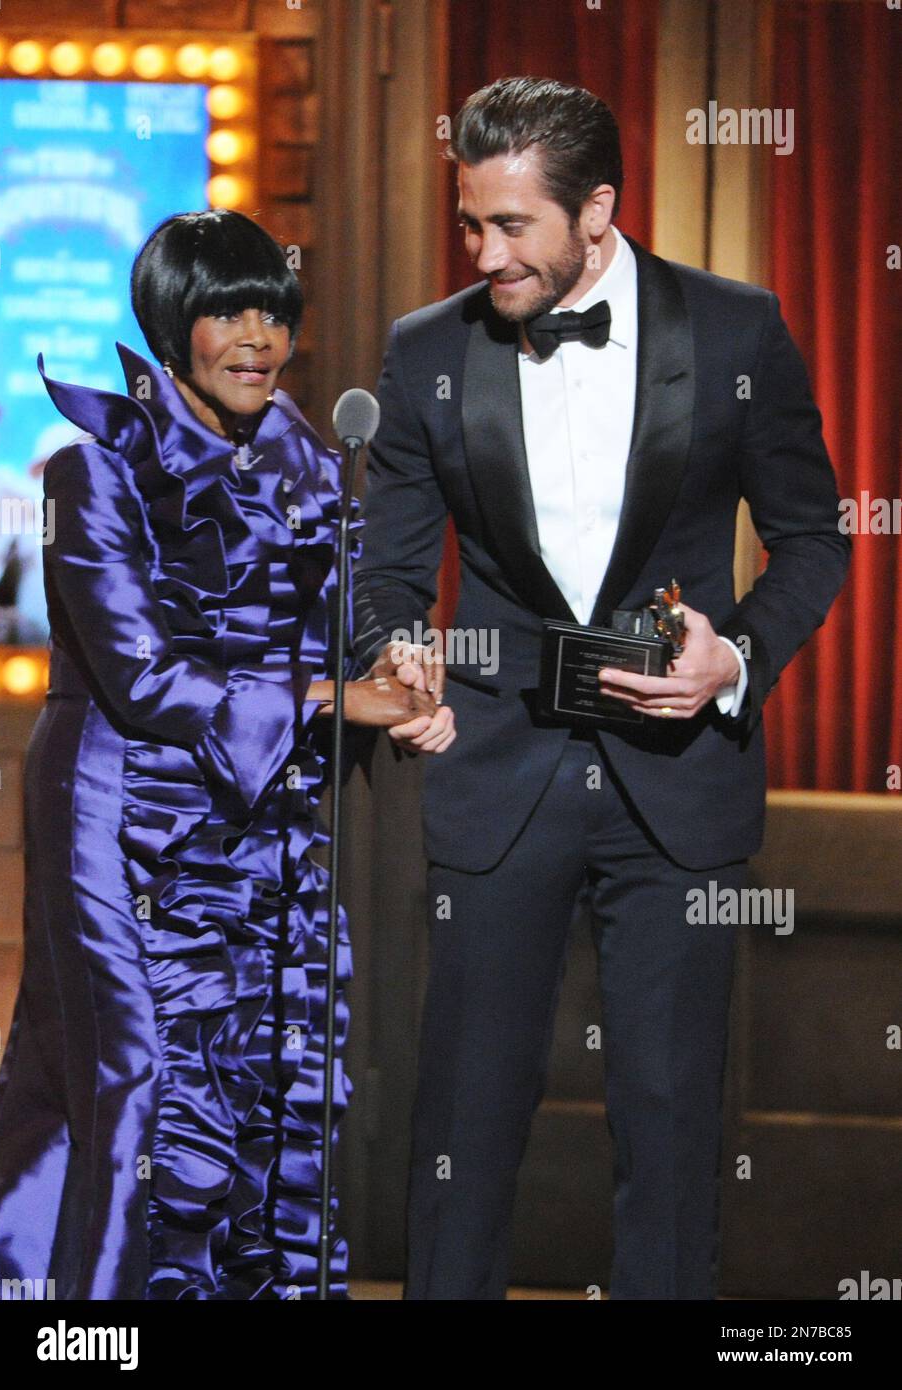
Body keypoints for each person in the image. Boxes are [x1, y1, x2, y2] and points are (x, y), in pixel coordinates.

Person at [352, 77, 850, 1299]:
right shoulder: (429, 351)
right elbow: (388, 574)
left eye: (513, 226)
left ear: (600, 213)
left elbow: (815, 538)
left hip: (678, 784)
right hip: (496, 776)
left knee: (672, 1132)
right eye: (472, 223)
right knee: (462, 1133)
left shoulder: (737, 331)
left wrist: (732, 655)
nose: (486, 252)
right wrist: (400, 654)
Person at [0, 208, 436, 1300]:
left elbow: (347, 611)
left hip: (259, 813)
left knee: (262, 1076)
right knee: (134, 1075)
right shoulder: (87, 471)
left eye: (273, 313)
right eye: (226, 313)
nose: (256, 337)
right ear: (171, 322)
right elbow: (139, 677)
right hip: (116, 812)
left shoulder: (307, 455)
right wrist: (337, 695)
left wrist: (404, 666)